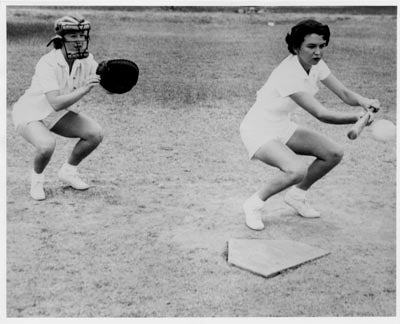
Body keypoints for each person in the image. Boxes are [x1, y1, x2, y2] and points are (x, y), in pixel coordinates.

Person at [239, 19, 380, 230]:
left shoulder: (317, 65)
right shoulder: (287, 74)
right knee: (296, 170)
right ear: (296, 47)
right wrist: (356, 118)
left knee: (333, 153)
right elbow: (320, 113)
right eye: (311, 47)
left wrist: (363, 101)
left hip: (281, 125)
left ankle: (297, 195)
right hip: (258, 129)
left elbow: (343, 93)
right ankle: (254, 203)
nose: (318, 52)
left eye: (322, 46)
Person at [12, 15, 105, 201]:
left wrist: (116, 82)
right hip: (30, 112)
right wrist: (86, 88)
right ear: (60, 40)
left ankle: (68, 172)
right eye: (73, 36)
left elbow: (105, 83)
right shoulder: (47, 62)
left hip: (55, 115)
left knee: (95, 134)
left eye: (82, 35)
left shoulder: (87, 60)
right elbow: (55, 103)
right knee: (46, 146)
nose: (79, 40)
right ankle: (37, 180)